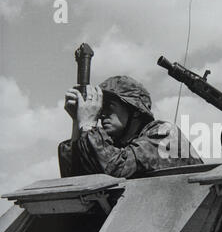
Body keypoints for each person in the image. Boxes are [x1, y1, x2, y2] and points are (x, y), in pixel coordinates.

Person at [58, 75, 203, 178]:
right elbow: (75, 178)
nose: (101, 114)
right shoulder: (117, 146)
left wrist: (88, 124)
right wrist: (78, 122)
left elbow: (117, 170)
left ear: (135, 112)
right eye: (100, 108)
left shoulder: (163, 135)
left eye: (109, 107)